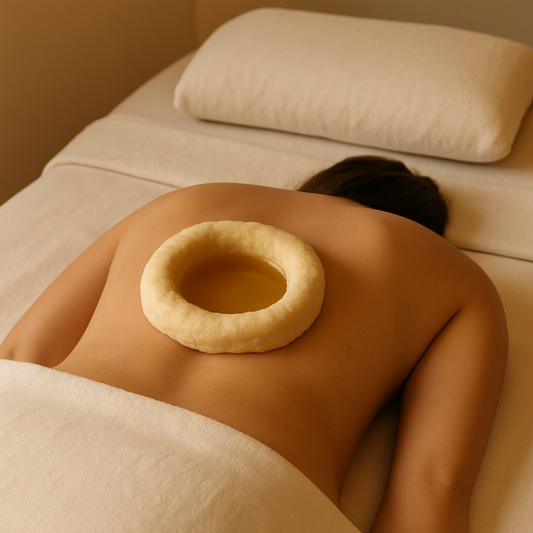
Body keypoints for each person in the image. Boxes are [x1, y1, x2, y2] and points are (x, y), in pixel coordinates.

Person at [0, 156, 507, 532]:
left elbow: (20, 356)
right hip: (226, 492)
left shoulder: (184, 200)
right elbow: (433, 487)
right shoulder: (455, 277)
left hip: (30, 439)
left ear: (318, 186)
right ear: (424, 226)